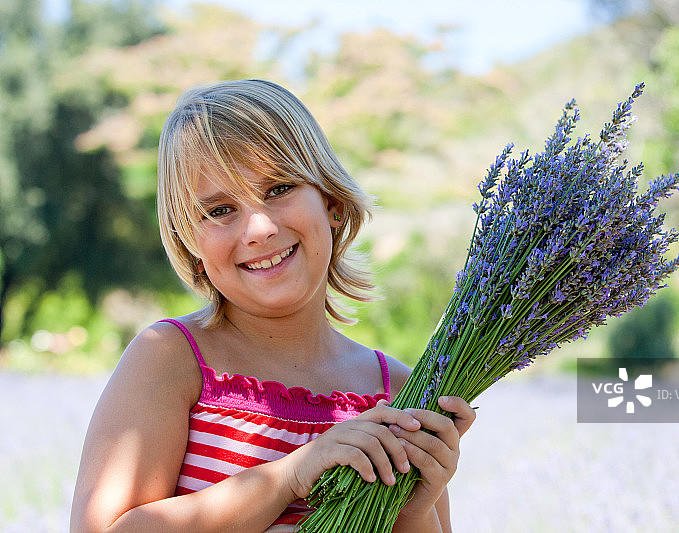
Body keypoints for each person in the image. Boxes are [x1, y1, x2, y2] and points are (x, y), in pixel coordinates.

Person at [70, 79, 476, 533]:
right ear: (191, 243)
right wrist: (291, 474)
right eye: (220, 210)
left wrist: (412, 510)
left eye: (279, 188)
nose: (259, 228)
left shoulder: (398, 392)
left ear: (332, 203)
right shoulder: (170, 358)